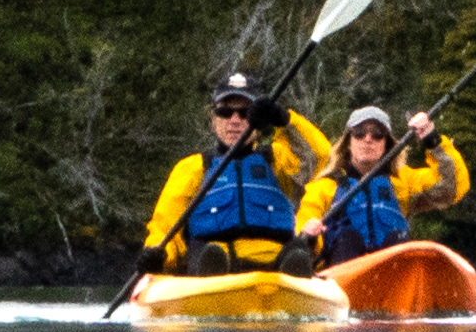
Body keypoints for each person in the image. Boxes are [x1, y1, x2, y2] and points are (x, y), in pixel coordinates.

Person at [136, 71, 336, 278]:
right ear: (214, 119)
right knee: (207, 253)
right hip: (212, 262)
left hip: (273, 267)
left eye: (245, 113)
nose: (235, 120)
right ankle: (213, 277)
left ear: (258, 121)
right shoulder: (193, 168)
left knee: (297, 249)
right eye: (225, 112)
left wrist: (284, 119)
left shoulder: (277, 161)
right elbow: (165, 225)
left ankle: (293, 274)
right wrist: (159, 254)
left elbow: (320, 156)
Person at [295, 102, 469, 268]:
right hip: (342, 276)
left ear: (386, 144)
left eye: (377, 133)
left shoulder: (404, 183)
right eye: (360, 132)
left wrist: (432, 140)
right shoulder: (324, 187)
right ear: (348, 142)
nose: (368, 139)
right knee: (348, 238)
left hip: (391, 278)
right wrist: (308, 235)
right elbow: (300, 228)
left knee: (398, 239)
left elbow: (451, 187)